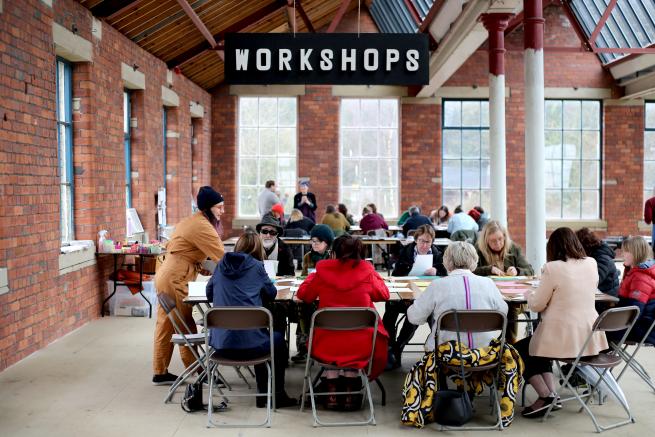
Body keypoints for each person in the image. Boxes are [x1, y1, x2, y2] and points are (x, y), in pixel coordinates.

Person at [513, 227, 608, 418]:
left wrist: (528, 294)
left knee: (521, 350)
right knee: (537, 347)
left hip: (564, 340)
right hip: (589, 339)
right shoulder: (591, 263)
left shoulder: (553, 268)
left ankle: (545, 396)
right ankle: (551, 396)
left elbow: (537, 305)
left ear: (553, 247)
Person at [297, 235, 390, 410]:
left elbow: (305, 295)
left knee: (332, 343)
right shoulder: (366, 270)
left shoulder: (323, 270)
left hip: (325, 343)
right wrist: (373, 274)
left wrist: (312, 277)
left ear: (334, 253)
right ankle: (350, 394)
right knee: (355, 342)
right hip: (361, 344)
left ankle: (332, 394)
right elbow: (383, 295)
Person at [206, 231, 297, 408]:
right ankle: (274, 395)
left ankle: (263, 395)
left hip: (221, 344)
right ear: (257, 248)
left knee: (258, 334)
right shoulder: (256, 267)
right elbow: (271, 294)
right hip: (251, 344)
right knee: (275, 339)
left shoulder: (220, 265)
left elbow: (209, 294)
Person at [152, 186, 225, 385]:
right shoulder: (202, 225)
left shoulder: (191, 221)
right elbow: (223, 257)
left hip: (167, 273)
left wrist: (200, 266)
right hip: (175, 277)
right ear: (208, 208)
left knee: (167, 324)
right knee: (185, 324)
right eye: (219, 207)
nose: (222, 211)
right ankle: (200, 373)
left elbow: (183, 250)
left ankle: (160, 372)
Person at [407, 241, 508, 351]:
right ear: (475, 259)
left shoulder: (437, 285)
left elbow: (414, 317)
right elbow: (503, 312)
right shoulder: (488, 283)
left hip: (447, 354)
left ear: (446, 261)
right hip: (485, 353)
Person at [384, 225, 448, 369]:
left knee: (417, 311)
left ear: (432, 241)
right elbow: (395, 276)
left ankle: (398, 347)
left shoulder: (439, 255)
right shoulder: (406, 252)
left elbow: (446, 276)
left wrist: (436, 271)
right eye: (421, 241)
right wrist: (408, 273)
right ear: (416, 240)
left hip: (428, 299)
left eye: (428, 242)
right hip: (407, 294)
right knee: (390, 306)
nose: (424, 245)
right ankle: (390, 346)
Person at [474, 220, 534, 343]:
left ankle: (510, 344)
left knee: (510, 306)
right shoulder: (478, 250)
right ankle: (504, 345)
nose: (498, 243)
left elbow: (530, 270)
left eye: (500, 239)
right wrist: (488, 269)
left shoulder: (513, 249)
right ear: (486, 241)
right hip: (488, 297)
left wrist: (517, 270)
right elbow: (470, 271)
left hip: (514, 297)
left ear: (505, 237)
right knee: (507, 306)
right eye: (493, 241)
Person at [292, 224, 335, 363]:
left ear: (327, 243)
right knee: (302, 306)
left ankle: (318, 342)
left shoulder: (333, 257)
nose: (314, 244)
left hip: (327, 294)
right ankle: (303, 345)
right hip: (311, 291)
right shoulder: (307, 257)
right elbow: (304, 277)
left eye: (318, 241)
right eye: (312, 241)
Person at [610, 236, 655, 345]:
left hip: (643, 330)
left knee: (597, 332)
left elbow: (635, 311)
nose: (621, 254)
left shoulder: (641, 276)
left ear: (635, 253)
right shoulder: (635, 272)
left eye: (625, 251)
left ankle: (588, 360)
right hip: (640, 326)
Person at [575, 227, 620, 297]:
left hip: (607, 301)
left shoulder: (602, 258)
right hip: (599, 297)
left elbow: (594, 281)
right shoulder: (595, 256)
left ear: (584, 246)